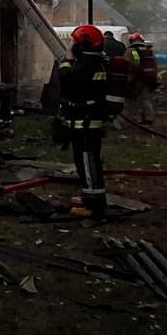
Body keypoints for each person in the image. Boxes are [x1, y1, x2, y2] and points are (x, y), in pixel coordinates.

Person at [56, 24, 110, 219]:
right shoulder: (96, 62)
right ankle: (89, 195)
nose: (72, 46)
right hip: (88, 121)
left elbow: (68, 82)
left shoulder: (86, 65)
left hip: (85, 123)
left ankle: (94, 206)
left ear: (83, 45)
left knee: (87, 162)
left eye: (74, 43)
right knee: (86, 161)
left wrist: (65, 62)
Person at [125, 33, 159, 125]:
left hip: (136, 78)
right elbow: (155, 64)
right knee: (146, 98)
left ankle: (135, 118)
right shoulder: (149, 50)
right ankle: (149, 117)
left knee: (133, 99)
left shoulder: (131, 51)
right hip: (149, 78)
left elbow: (130, 64)